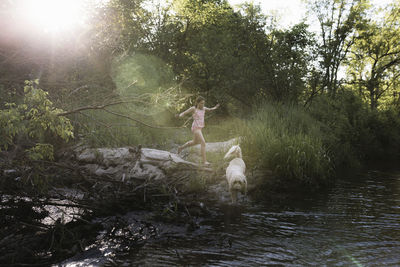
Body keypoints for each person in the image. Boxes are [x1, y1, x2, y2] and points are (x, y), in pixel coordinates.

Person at [176, 96, 220, 165]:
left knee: (194, 142)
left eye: (203, 103)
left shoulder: (204, 108)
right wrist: (179, 115)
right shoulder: (193, 108)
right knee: (203, 142)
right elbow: (184, 113)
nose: (203, 105)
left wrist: (215, 107)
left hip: (200, 128)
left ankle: (180, 148)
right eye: (201, 103)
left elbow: (210, 109)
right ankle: (204, 161)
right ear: (197, 103)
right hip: (195, 128)